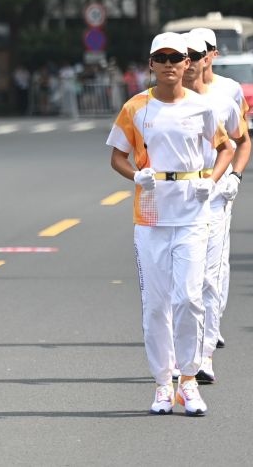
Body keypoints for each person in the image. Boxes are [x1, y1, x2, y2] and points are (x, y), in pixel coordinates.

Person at [106, 32, 232, 417]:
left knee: (189, 298)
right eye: (160, 58)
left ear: (186, 63)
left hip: (193, 212)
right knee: (156, 304)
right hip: (151, 214)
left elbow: (226, 148)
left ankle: (188, 380)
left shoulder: (201, 107)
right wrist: (136, 175)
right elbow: (117, 156)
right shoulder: (136, 108)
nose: (168, 64)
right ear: (151, 64)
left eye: (175, 58)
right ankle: (163, 383)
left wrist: (212, 181)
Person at [179, 32, 249, 384]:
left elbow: (241, 141)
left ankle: (204, 354)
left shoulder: (226, 95)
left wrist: (233, 176)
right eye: (184, 55)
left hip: (215, 195)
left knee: (211, 274)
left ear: (210, 56)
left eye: (196, 54)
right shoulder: (161, 102)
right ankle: (182, 349)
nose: (190, 61)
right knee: (183, 282)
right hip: (177, 200)